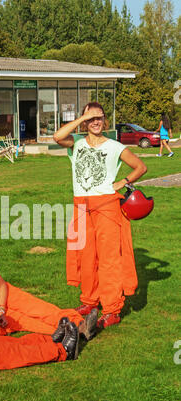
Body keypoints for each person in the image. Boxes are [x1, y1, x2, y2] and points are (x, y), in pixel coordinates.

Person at [53, 102, 147, 328]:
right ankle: (90, 301)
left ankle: (112, 309)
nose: (96, 122)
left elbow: (140, 167)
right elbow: (57, 136)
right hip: (81, 206)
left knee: (109, 259)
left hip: (106, 205)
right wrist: (82, 117)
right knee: (86, 256)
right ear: (84, 120)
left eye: (100, 117)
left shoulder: (114, 146)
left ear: (105, 120)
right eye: (91, 118)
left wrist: (121, 183)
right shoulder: (75, 143)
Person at [0, 241, 98, 340]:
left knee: (35, 306)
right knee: (22, 321)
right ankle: (71, 332)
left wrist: (1, 308)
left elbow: (1, 286)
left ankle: (79, 323)